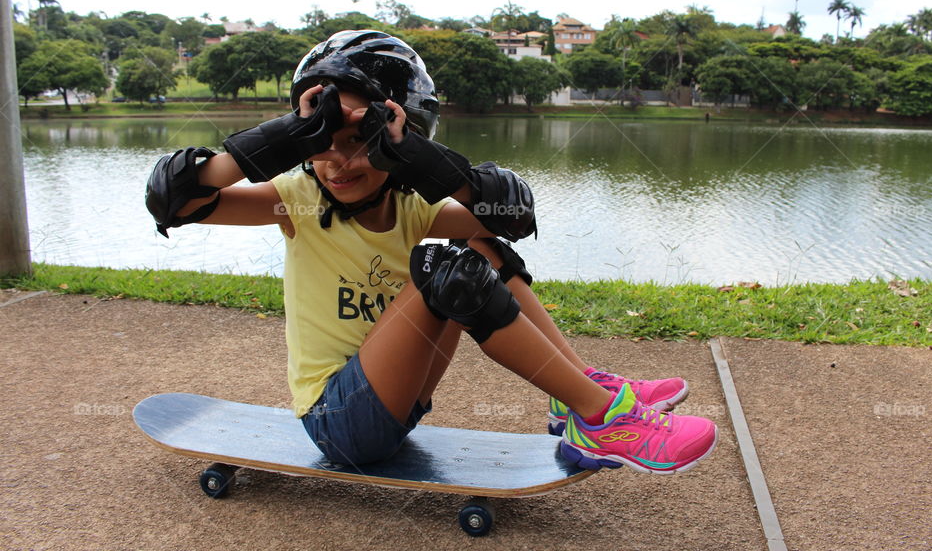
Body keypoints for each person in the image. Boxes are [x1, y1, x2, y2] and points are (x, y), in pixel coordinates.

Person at [145, 30, 718, 474]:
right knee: (448, 272)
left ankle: (578, 393)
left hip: (399, 401)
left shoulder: (412, 206)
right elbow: (174, 198)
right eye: (322, 143)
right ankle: (600, 418)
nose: (339, 162)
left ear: (402, 143)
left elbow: (512, 214)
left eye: (361, 142)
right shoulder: (294, 201)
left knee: (480, 246)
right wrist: (287, 137)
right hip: (337, 421)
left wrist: (417, 159)